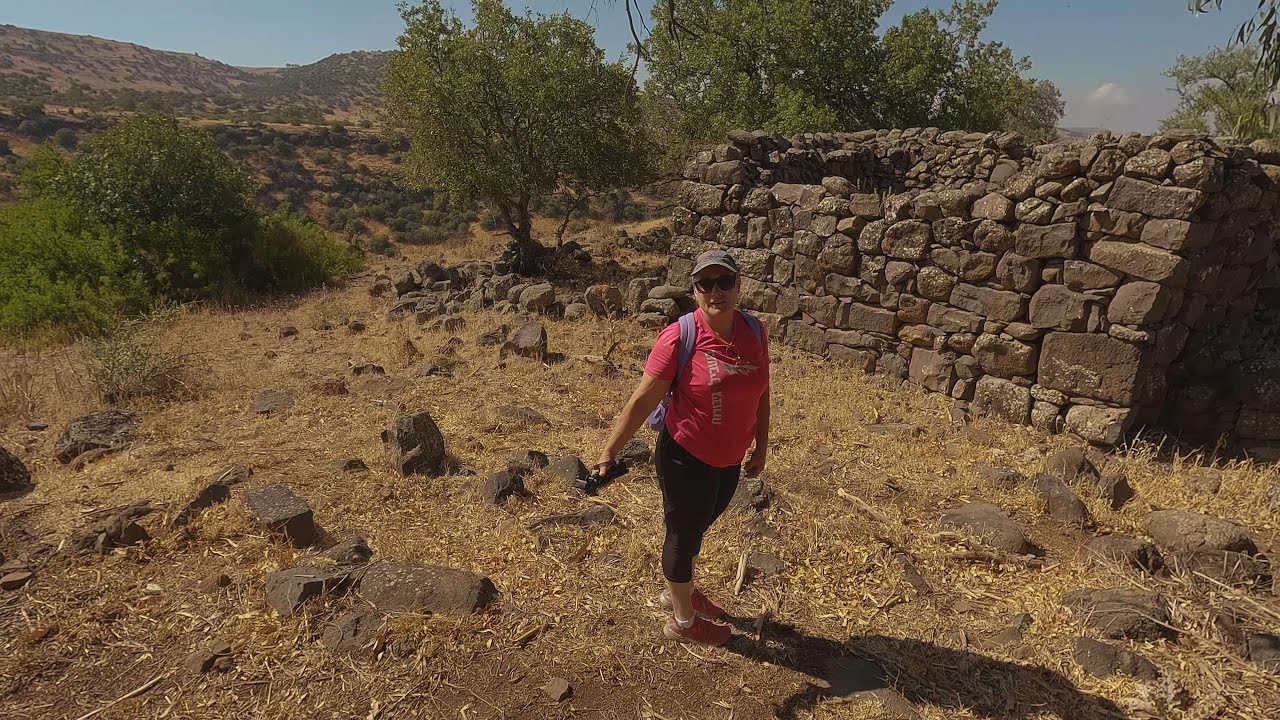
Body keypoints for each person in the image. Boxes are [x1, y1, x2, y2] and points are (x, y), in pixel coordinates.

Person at [594, 249, 771, 646]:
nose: (716, 291)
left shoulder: (755, 331)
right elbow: (641, 400)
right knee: (682, 536)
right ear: (694, 290)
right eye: (705, 283)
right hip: (684, 455)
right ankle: (683, 622)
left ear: (739, 285)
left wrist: (761, 445)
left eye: (724, 282)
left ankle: (681, 591)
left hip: (730, 458)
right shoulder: (679, 336)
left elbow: (762, 392)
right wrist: (609, 451)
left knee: (698, 527)